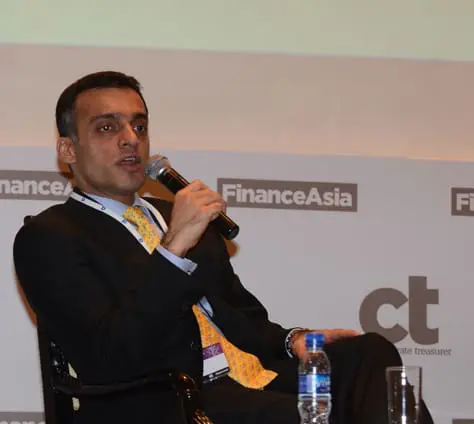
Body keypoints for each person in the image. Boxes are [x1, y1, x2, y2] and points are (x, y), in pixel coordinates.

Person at [13, 71, 434, 424]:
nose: (130, 140)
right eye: (107, 127)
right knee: (312, 416)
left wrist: (292, 341)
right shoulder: (52, 236)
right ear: (68, 149)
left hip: (253, 379)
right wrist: (173, 249)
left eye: (139, 126)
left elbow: (241, 316)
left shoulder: (174, 214)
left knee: (369, 354)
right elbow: (108, 356)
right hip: (170, 398)